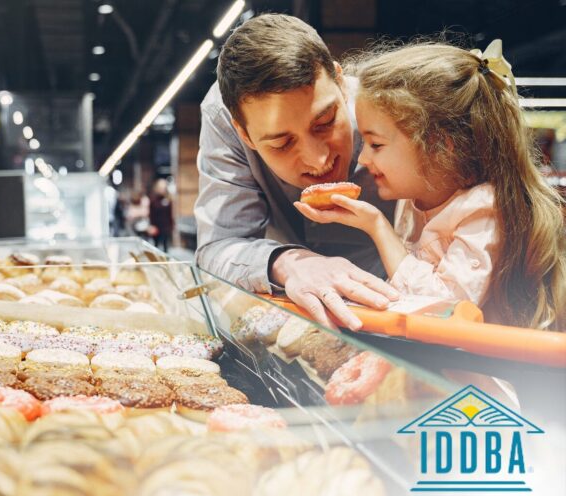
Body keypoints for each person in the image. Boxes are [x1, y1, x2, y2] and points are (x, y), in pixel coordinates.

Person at [295, 41, 566, 331]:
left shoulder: (483, 209)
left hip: (480, 369)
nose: (363, 158)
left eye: (376, 144)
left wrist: (377, 227)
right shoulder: (412, 200)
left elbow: (445, 310)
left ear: (439, 145)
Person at [195, 14, 399, 330]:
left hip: (399, 311)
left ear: (341, 84)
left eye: (325, 123)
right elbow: (218, 245)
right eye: (281, 143)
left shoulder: (396, 106)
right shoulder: (224, 116)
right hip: (294, 317)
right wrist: (290, 264)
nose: (318, 161)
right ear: (244, 134)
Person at [149, 178, 174, 252]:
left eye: (164, 188)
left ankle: (166, 262)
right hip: (156, 227)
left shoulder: (168, 200)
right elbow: (151, 214)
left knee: (166, 247)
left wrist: (172, 225)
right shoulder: (153, 200)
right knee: (156, 246)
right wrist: (152, 226)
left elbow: (170, 214)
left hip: (166, 227)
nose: (162, 189)